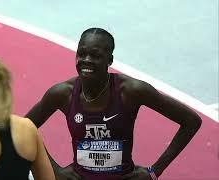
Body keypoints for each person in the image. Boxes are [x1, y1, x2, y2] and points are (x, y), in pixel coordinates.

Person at [26, 28, 202, 180]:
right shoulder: (63, 93)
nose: (86, 60)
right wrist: (55, 170)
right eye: (81, 53)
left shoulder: (131, 91)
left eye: (95, 56)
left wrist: (155, 171)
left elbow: (191, 121)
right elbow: (23, 128)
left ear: (110, 60)